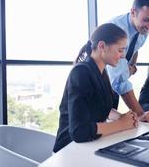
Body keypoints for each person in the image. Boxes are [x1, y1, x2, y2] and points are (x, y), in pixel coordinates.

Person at [53, 23, 138, 153]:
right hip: (69, 151)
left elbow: (98, 107)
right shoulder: (81, 73)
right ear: (102, 46)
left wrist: (122, 117)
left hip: (90, 146)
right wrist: (121, 125)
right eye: (120, 50)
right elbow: (79, 131)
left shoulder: (102, 72)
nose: (123, 56)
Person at [106, 0, 149, 122]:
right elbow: (120, 81)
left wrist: (131, 66)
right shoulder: (117, 30)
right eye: (147, 20)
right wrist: (141, 114)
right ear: (133, 12)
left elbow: (135, 47)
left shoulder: (143, 28)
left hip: (112, 89)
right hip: (97, 88)